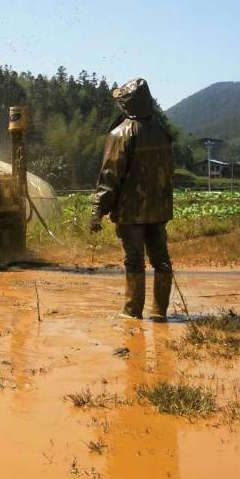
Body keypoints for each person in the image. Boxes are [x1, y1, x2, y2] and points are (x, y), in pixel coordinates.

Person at [90, 77, 173, 321]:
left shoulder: (120, 134)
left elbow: (109, 176)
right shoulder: (162, 131)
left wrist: (97, 210)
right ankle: (159, 312)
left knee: (134, 261)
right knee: (162, 261)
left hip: (131, 211)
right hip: (158, 210)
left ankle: (132, 311)